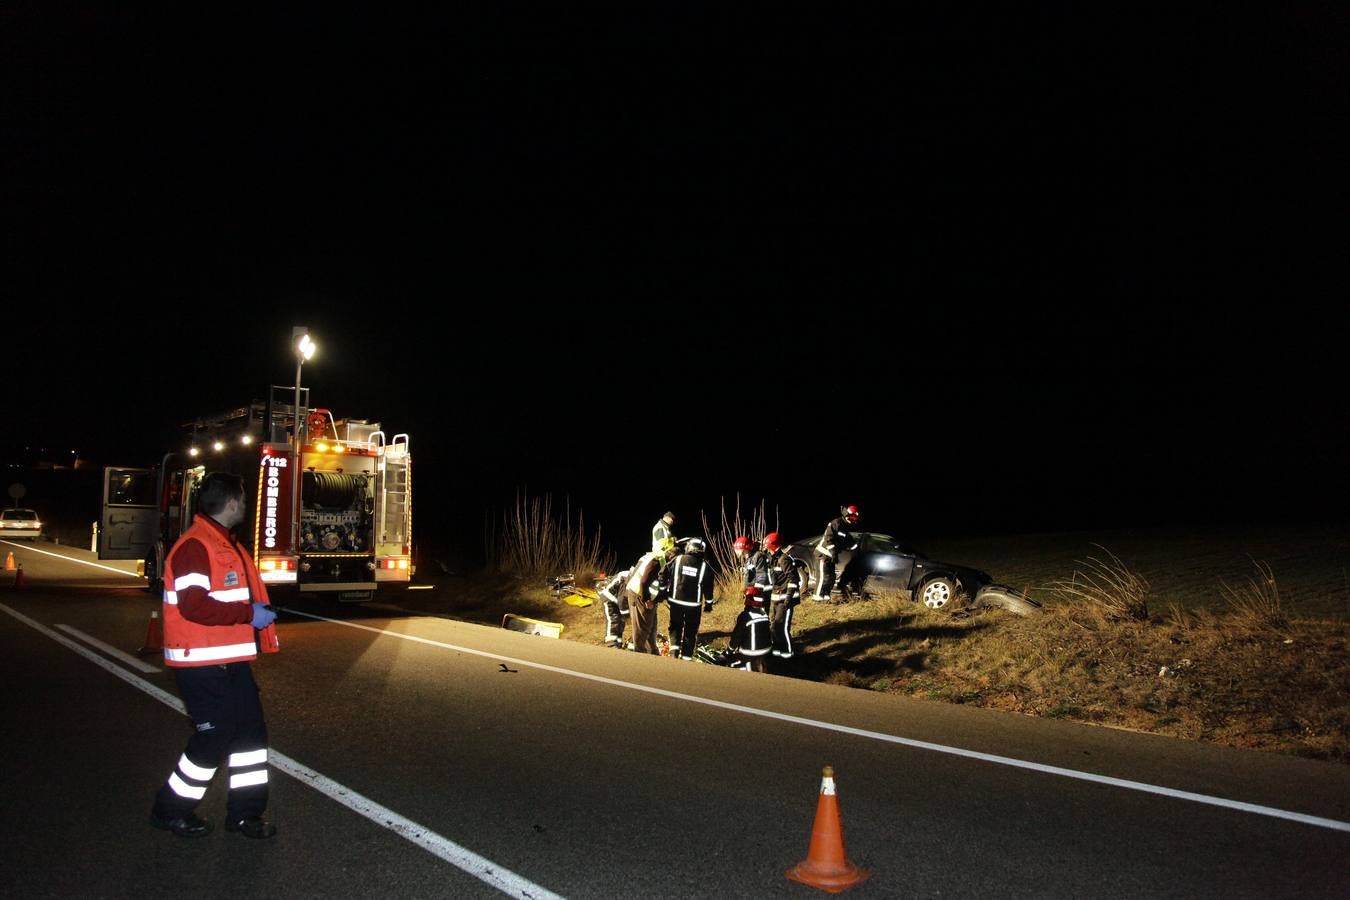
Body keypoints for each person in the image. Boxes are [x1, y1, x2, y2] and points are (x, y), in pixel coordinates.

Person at [149, 472, 280, 839]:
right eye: (242, 498)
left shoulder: (223, 542)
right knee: (214, 738)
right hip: (201, 664)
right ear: (233, 503)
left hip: (229, 662)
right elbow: (193, 606)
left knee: (251, 737)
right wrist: (247, 613)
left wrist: (251, 615)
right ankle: (170, 810)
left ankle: (245, 815)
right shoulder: (196, 546)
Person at [658, 537, 714, 661]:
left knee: (675, 627)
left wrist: (662, 592)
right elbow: (708, 586)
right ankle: (686, 658)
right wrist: (709, 604)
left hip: (676, 602)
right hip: (694, 605)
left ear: (689, 547)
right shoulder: (705, 566)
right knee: (691, 630)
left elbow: (662, 574)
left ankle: (673, 654)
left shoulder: (677, 560)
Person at [625, 539, 675, 654]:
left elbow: (659, 584)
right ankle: (639, 653)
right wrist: (646, 599)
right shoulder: (656, 561)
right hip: (640, 595)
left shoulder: (657, 559)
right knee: (642, 627)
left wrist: (658, 599)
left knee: (651, 626)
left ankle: (652, 652)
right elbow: (643, 581)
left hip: (647, 596)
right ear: (669, 553)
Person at [764, 532, 805, 658]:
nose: (765, 548)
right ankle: (777, 651)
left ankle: (788, 653)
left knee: (781, 627)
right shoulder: (774, 559)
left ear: (772, 545)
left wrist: (788, 599)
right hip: (777, 599)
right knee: (775, 626)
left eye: (767, 546)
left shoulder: (784, 559)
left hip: (785, 600)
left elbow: (793, 581)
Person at [813, 504, 862, 602]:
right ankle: (817, 598)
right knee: (824, 577)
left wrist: (858, 550)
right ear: (847, 516)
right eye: (853, 518)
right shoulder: (836, 523)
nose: (854, 521)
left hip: (831, 556)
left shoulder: (845, 527)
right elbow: (829, 539)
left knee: (831, 577)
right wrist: (833, 553)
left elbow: (849, 541)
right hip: (823, 554)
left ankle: (826, 597)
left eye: (855, 519)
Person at [729, 586, 773, 672]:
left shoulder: (745, 616)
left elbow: (737, 636)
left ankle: (747, 668)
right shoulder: (764, 614)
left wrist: (729, 650)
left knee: (730, 664)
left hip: (750, 653)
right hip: (766, 652)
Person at [598, 568, 632, 648]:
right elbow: (622, 601)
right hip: (609, 598)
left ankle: (618, 643)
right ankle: (611, 643)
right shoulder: (627, 579)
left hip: (616, 600)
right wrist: (627, 616)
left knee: (621, 623)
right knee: (614, 619)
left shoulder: (632, 577)